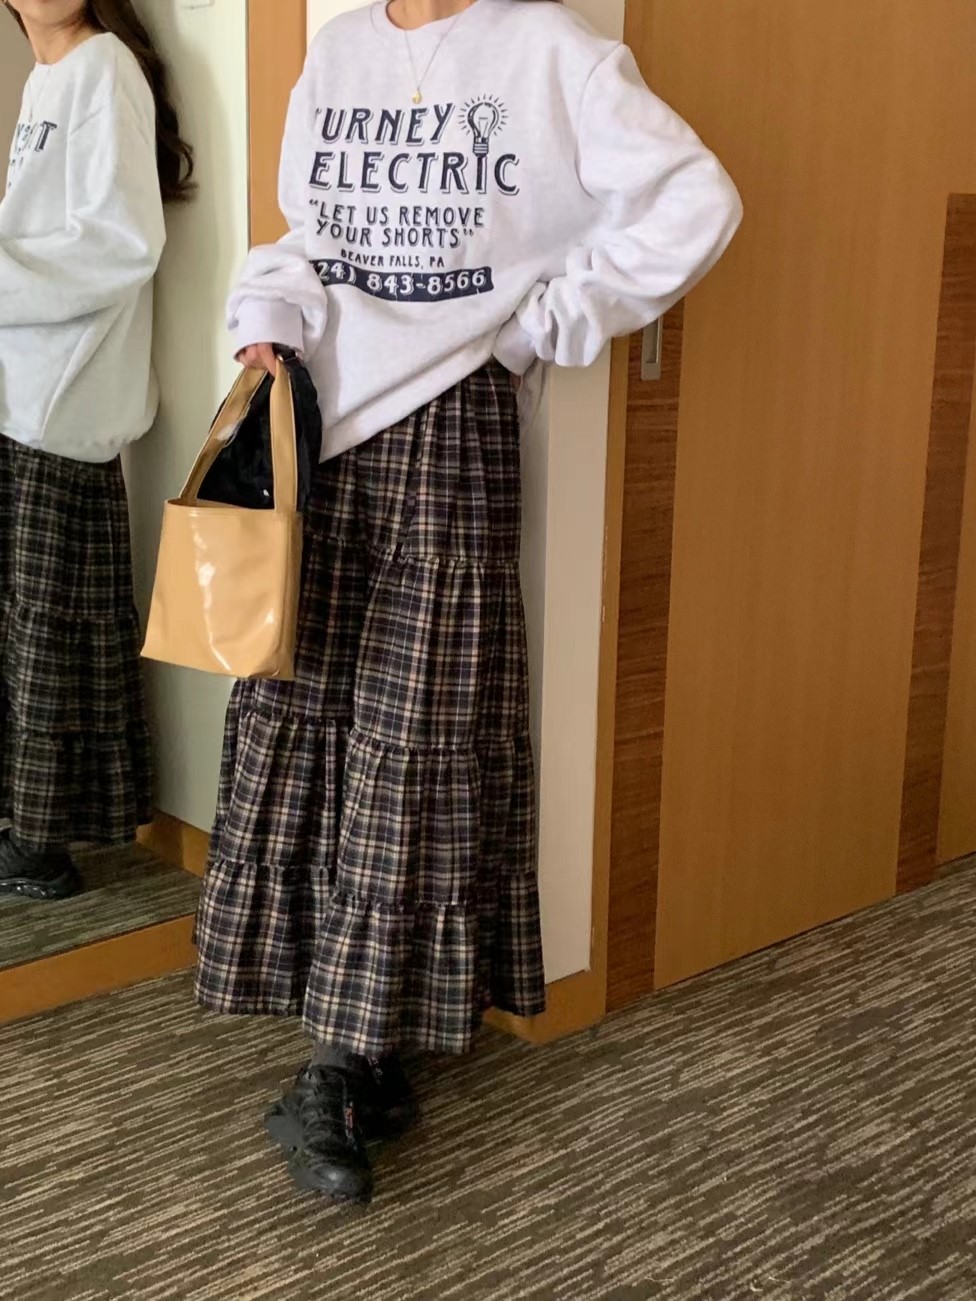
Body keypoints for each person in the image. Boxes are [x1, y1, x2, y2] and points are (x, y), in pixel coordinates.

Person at [196, 0, 742, 1205]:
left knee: (418, 743)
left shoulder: (550, 51)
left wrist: (544, 323)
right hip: (314, 427)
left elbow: (694, 198)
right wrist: (265, 325)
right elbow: (307, 235)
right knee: (306, 719)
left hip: (452, 426)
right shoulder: (340, 48)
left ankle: (342, 1059)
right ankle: (353, 1042)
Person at [0, 0, 193, 901]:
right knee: (27, 627)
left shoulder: (104, 66)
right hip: (25, 389)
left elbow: (122, 243)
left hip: (65, 398)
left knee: (49, 630)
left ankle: (43, 846)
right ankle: (26, 827)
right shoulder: (47, 79)